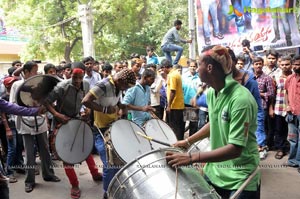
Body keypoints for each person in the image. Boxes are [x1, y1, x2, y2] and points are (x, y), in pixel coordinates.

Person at [166, 45, 260, 198]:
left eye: (199, 64)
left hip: (239, 177)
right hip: (214, 173)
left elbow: (235, 149)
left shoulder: (240, 99)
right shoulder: (211, 93)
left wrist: (191, 158)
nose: (196, 69)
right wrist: (188, 141)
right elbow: (215, 123)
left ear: (209, 68)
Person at [44, 62, 103, 199]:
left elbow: (87, 101)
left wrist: (87, 110)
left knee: (85, 147)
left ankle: (94, 173)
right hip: (62, 122)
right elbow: (46, 102)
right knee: (67, 155)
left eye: (80, 78)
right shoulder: (62, 86)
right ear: (70, 74)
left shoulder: (87, 85)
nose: (77, 81)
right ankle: (74, 185)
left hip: (77, 120)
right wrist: (57, 115)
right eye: (75, 77)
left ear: (83, 76)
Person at [81, 68, 136, 199]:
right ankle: (107, 193)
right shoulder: (103, 85)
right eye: (125, 86)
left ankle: (115, 187)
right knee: (109, 164)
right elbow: (85, 101)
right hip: (100, 129)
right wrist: (105, 109)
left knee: (118, 160)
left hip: (113, 127)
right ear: (120, 80)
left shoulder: (117, 86)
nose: (125, 89)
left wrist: (121, 105)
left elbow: (114, 100)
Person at [9, 61, 60, 193]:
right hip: (25, 123)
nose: (36, 74)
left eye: (37, 71)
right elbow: (12, 105)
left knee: (45, 150)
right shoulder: (17, 85)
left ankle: (48, 174)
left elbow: (47, 101)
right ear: (25, 72)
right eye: (33, 71)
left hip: (40, 121)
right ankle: (29, 181)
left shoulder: (40, 84)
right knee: (29, 154)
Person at [0, 98, 46, 199]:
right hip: (21, 126)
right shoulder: (16, 88)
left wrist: (35, 111)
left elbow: (13, 108)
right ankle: (11, 172)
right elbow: (14, 107)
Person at [270, 56, 292, 159]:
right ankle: (280, 149)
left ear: (291, 65)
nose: (284, 67)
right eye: (282, 65)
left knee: (290, 130)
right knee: (278, 129)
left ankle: (290, 149)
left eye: (287, 64)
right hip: (278, 107)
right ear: (279, 65)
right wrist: (271, 107)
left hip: (291, 108)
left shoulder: (294, 76)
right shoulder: (276, 77)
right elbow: (272, 93)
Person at [253, 57, 275, 159]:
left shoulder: (267, 78)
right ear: (253, 65)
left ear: (263, 65)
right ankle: (254, 147)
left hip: (262, 107)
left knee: (260, 127)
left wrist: (259, 94)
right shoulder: (249, 77)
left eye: (260, 64)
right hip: (250, 107)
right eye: (256, 64)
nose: (258, 65)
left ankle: (261, 148)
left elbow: (271, 94)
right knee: (251, 127)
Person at [161, 59, 185, 140]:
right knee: (179, 126)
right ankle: (180, 142)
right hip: (178, 105)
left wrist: (169, 105)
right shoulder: (176, 73)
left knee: (175, 126)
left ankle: (177, 143)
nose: (162, 71)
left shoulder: (172, 75)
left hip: (175, 106)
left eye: (162, 69)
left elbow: (173, 91)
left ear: (165, 67)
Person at [285, 55, 300, 168]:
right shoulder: (290, 78)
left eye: (298, 64)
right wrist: (287, 105)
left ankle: (299, 162)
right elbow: (286, 92)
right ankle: (292, 161)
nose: (296, 66)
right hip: (291, 113)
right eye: (294, 64)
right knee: (292, 138)